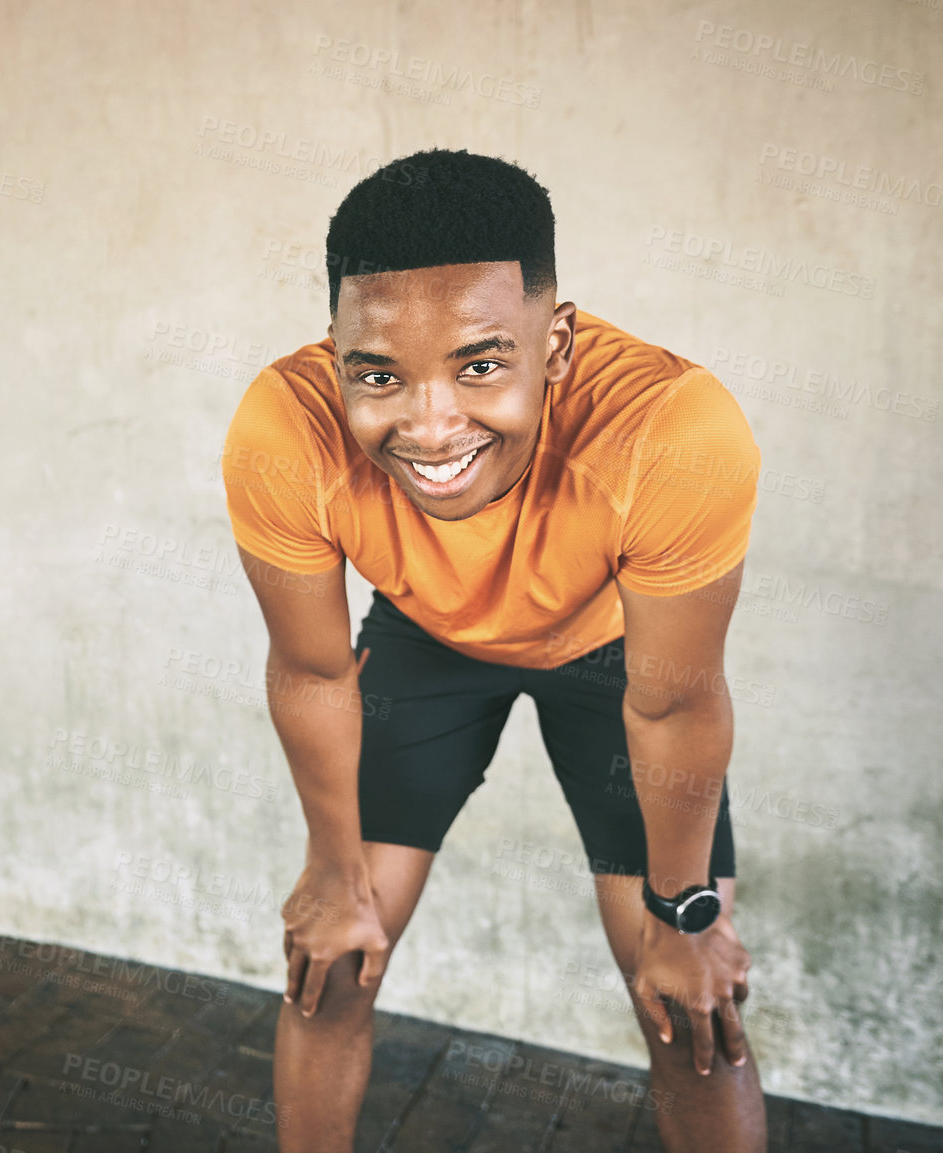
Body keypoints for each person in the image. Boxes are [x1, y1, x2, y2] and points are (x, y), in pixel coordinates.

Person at [220, 147, 767, 1153]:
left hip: (619, 663)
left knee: (692, 1011)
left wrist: (685, 914)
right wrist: (333, 873)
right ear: (334, 349)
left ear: (554, 345)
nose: (430, 426)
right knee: (328, 964)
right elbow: (310, 668)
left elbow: (674, 702)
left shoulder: (671, 430)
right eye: (377, 373)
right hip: (427, 640)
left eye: (479, 365)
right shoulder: (283, 428)